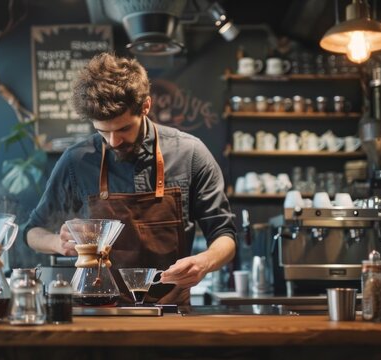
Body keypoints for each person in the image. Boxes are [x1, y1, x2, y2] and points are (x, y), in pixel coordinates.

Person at [26, 52, 236, 305]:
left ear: (146, 106)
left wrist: (204, 262)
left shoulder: (189, 153)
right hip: (98, 310)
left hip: (168, 310)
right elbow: (32, 232)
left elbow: (224, 235)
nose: (114, 141)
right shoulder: (76, 161)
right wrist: (58, 243)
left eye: (124, 128)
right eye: (103, 132)